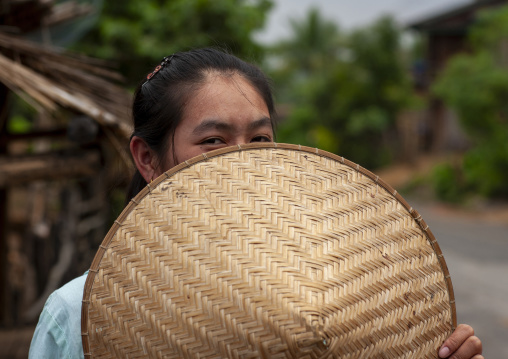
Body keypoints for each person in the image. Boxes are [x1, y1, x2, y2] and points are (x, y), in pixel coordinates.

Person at [29, 48, 483, 359]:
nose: (244, 158)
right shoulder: (76, 314)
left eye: (260, 138)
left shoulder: (338, 292)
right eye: (213, 140)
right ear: (147, 159)